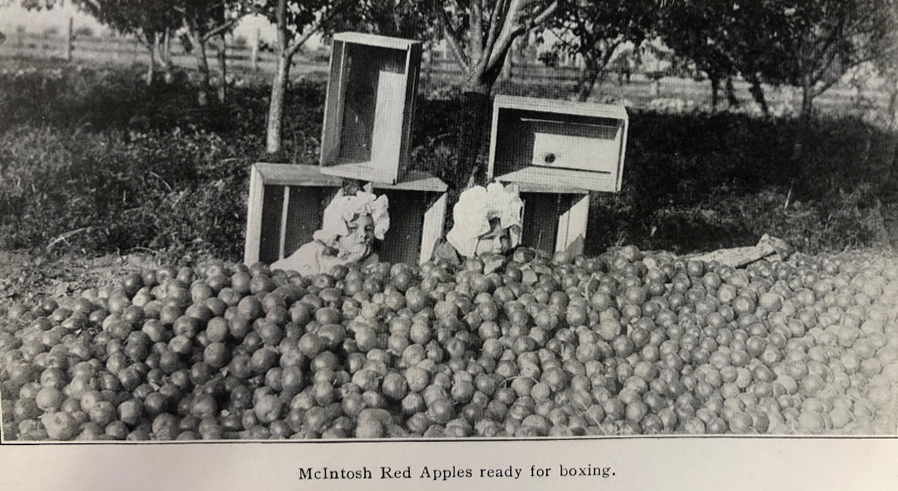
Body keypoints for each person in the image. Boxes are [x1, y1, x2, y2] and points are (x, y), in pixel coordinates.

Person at [272, 184, 389, 276]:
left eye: (369, 229)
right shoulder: (313, 252)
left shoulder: (371, 260)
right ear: (336, 233)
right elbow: (278, 273)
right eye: (353, 228)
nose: (363, 235)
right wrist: (350, 262)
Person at [432, 182, 524, 265]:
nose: (499, 245)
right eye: (490, 238)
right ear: (470, 241)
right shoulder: (447, 263)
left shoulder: (511, 261)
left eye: (504, 238)